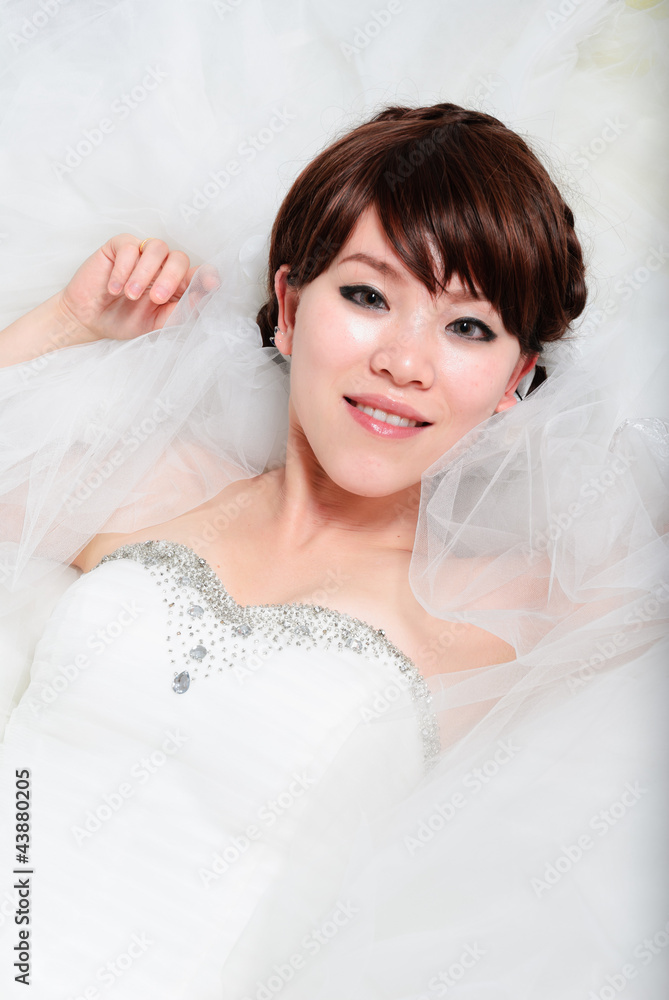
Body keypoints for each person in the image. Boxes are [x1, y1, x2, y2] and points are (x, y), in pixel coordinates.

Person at [0, 103, 666, 999]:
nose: (404, 360)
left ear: (516, 381)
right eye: (366, 295)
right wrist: (69, 321)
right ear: (287, 306)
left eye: (467, 327)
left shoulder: (517, 615)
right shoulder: (152, 482)